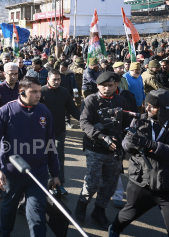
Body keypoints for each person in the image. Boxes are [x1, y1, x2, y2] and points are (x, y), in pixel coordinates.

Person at [0, 76, 60, 237]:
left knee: (37, 216)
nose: (38, 95)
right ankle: (4, 233)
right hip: (12, 174)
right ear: (21, 92)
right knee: (9, 209)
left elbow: (51, 144)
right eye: (34, 92)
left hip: (38, 174)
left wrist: (55, 174)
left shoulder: (44, 112)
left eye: (40, 91)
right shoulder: (6, 111)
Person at [110, 89, 169, 237]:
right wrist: (130, 144)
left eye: (152, 106)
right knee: (126, 216)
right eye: (146, 104)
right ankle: (113, 230)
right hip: (142, 183)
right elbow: (126, 145)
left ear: (165, 108)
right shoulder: (140, 120)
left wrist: (150, 145)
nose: (147, 108)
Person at [75, 72, 131, 229]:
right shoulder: (91, 100)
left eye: (110, 85)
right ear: (98, 86)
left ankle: (99, 211)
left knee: (110, 184)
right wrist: (100, 137)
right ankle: (82, 205)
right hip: (95, 147)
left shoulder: (121, 100)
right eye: (104, 86)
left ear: (116, 86)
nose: (107, 88)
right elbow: (84, 123)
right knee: (92, 182)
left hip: (115, 151)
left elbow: (127, 123)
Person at [40, 69, 80, 195]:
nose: (57, 82)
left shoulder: (64, 92)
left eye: (59, 79)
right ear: (48, 79)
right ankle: (44, 184)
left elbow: (72, 109)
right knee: (42, 157)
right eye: (54, 80)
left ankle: (59, 184)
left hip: (59, 131)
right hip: (42, 132)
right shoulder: (41, 92)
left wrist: (85, 121)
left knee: (59, 157)